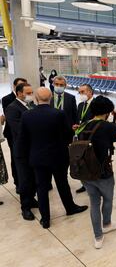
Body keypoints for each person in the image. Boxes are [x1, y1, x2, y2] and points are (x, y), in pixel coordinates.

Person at [16, 87, 88, 229]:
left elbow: (23, 139)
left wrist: (22, 156)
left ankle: (45, 218)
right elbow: (67, 134)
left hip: (37, 157)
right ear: (50, 99)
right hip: (58, 157)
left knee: (41, 188)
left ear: (36, 99)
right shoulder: (58, 114)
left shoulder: (27, 116)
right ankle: (70, 208)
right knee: (62, 184)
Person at [79, 95, 116, 249]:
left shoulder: (84, 124)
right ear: (108, 112)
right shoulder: (107, 126)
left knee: (94, 203)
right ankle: (107, 224)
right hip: (103, 173)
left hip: (85, 172)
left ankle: (98, 237)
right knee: (107, 199)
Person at [4, 83, 37, 221]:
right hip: (22, 150)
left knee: (34, 177)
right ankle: (25, 207)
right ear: (18, 93)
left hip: (34, 148)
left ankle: (32, 199)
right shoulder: (12, 108)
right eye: (27, 93)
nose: (30, 95)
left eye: (31, 92)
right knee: (25, 179)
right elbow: (19, 130)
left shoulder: (31, 105)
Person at [1, 77, 27, 192]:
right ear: (15, 87)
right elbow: (10, 117)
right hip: (12, 132)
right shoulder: (7, 99)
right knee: (15, 158)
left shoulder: (27, 99)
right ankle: (18, 182)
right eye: (20, 85)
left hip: (25, 133)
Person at [74, 84, 95, 194]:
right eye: (80, 92)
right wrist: (77, 126)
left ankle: (94, 184)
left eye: (83, 92)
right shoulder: (81, 105)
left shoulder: (97, 104)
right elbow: (79, 120)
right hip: (81, 136)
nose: (81, 94)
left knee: (92, 160)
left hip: (92, 137)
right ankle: (85, 184)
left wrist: (84, 126)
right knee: (82, 161)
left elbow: (98, 121)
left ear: (90, 92)